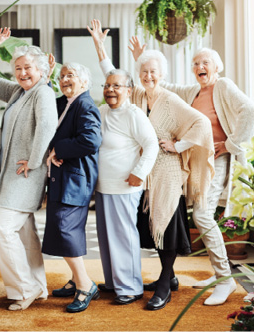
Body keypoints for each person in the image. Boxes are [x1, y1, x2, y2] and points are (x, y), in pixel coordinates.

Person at [88, 19, 215, 310]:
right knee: (150, 227)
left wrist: (178, 145)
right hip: (145, 172)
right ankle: (167, 278)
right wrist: (99, 46)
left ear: (162, 74)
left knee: (166, 225)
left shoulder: (170, 100)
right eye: (144, 71)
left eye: (153, 72)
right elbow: (112, 76)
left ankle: (164, 283)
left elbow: (201, 122)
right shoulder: (137, 95)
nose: (148, 76)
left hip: (167, 171)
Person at [129, 40, 254, 305]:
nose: (199, 67)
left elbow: (250, 110)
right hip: (195, 160)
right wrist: (144, 61)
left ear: (216, 67)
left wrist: (231, 143)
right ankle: (205, 274)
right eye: (195, 63)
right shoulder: (193, 92)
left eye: (205, 62)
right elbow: (164, 88)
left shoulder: (222, 86)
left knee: (202, 215)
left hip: (216, 159)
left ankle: (226, 278)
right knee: (195, 215)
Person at [0, 28, 57, 311]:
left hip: (25, 174)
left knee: (1, 228)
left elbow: (47, 127)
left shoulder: (43, 93)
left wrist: (35, 160)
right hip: (12, 174)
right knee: (25, 232)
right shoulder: (17, 91)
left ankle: (22, 289)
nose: (23, 72)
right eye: (18, 68)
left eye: (28, 67)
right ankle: (37, 286)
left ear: (40, 69)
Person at [95, 68, 159, 305]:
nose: (110, 90)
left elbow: (151, 145)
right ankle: (113, 281)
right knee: (105, 236)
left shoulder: (134, 114)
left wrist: (139, 173)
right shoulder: (101, 111)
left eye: (116, 86)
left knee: (123, 236)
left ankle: (130, 287)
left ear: (129, 91)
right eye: (107, 85)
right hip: (102, 185)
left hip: (125, 185)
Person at [42, 62, 102, 313]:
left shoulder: (85, 105)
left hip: (75, 179)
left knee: (67, 230)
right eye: (62, 76)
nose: (65, 79)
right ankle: (78, 278)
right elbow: (43, 105)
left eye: (71, 76)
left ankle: (86, 285)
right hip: (62, 178)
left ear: (84, 82)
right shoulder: (64, 103)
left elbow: (91, 140)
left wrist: (59, 149)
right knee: (60, 229)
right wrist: (45, 76)